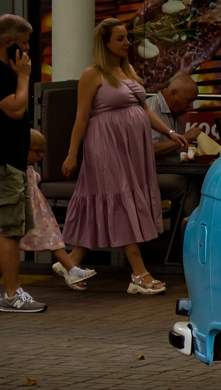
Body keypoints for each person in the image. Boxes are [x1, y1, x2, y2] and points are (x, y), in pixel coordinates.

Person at [61, 18, 186, 295]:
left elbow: (144, 110)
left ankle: (71, 263)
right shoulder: (92, 74)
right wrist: (72, 154)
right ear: (105, 44)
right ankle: (139, 274)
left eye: (127, 37)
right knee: (121, 200)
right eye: (120, 39)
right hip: (105, 147)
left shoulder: (127, 70)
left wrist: (169, 132)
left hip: (131, 150)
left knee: (114, 199)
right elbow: (81, 117)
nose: (127, 42)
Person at [0, 14, 45, 312]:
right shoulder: (3, 74)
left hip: (11, 162)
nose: (28, 49)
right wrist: (25, 76)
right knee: (10, 230)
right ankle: (12, 292)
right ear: (8, 43)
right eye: (24, 42)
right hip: (5, 165)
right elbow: (15, 110)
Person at [22, 130, 97, 289]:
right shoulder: (18, 172)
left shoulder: (28, 170)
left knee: (53, 240)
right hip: (28, 216)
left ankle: (71, 269)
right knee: (11, 250)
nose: (41, 155)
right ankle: (71, 270)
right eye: (37, 151)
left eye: (43, 152)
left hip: (39, 216)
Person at [150, 71, 203, 219]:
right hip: (150, 173)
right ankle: (194, 230)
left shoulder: (175, 114)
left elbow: (175, 146)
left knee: (203, 179)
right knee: (189, 185)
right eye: (188, 101)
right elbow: (151, 150)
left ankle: (183, 229)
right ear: (173, 94)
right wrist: (184, 137)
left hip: (170, 168)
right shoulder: (152, 109)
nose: (191, 106)